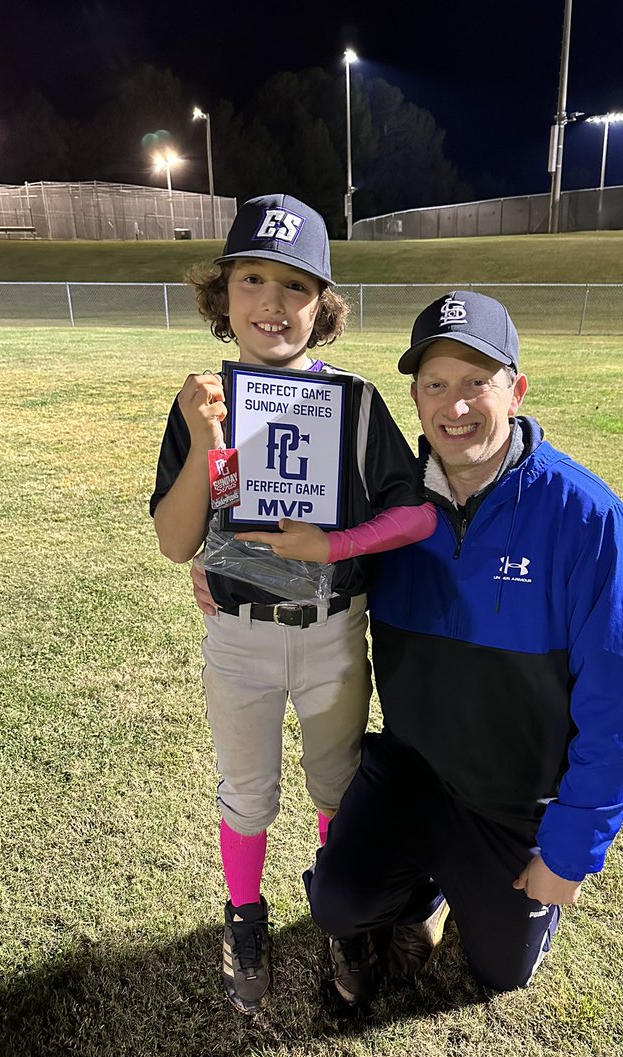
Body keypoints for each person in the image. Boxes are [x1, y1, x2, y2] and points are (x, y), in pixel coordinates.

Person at [302, 290, 623, 1006]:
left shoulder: (584, 516)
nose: (455, 406)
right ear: (415, 395)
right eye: (436, 383)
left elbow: (622, 713)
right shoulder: (384, 506)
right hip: (412, 776)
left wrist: (567, 855)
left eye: (477, 382)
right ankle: (422, 894)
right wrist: (224, 578)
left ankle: (477, 897)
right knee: (338, 903)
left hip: (514, 803)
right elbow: (307, 563)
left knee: (501, 972)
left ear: (516, 390)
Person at [150, 194, 436, 1014]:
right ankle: (245, 915)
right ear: (222, 294)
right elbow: (176, 543)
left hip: (331, 630)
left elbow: (412, 510)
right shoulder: (205, 400)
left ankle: (337, 915)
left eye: (295, 287)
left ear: (324, 305)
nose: (271, 303)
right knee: (245, 791)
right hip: (239, 632)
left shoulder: (351, 402)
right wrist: (205, 443)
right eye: (251, 280)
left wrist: (334, 546)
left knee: (336, 789)